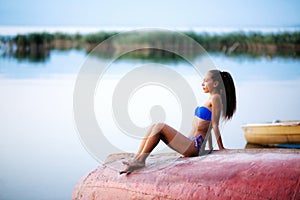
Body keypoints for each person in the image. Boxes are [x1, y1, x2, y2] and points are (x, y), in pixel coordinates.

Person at [120, 69, 236, 175]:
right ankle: (137, 159)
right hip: (191, 143)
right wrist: (209, 148)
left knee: (160, 127)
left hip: (194, 147)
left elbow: (214, 125)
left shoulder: (216, 98)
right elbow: (208, 126)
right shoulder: (210, 99)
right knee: (154, 126)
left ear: (215, 84)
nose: (202, 84)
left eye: (206, 81)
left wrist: (221, 148)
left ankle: (140, 161)